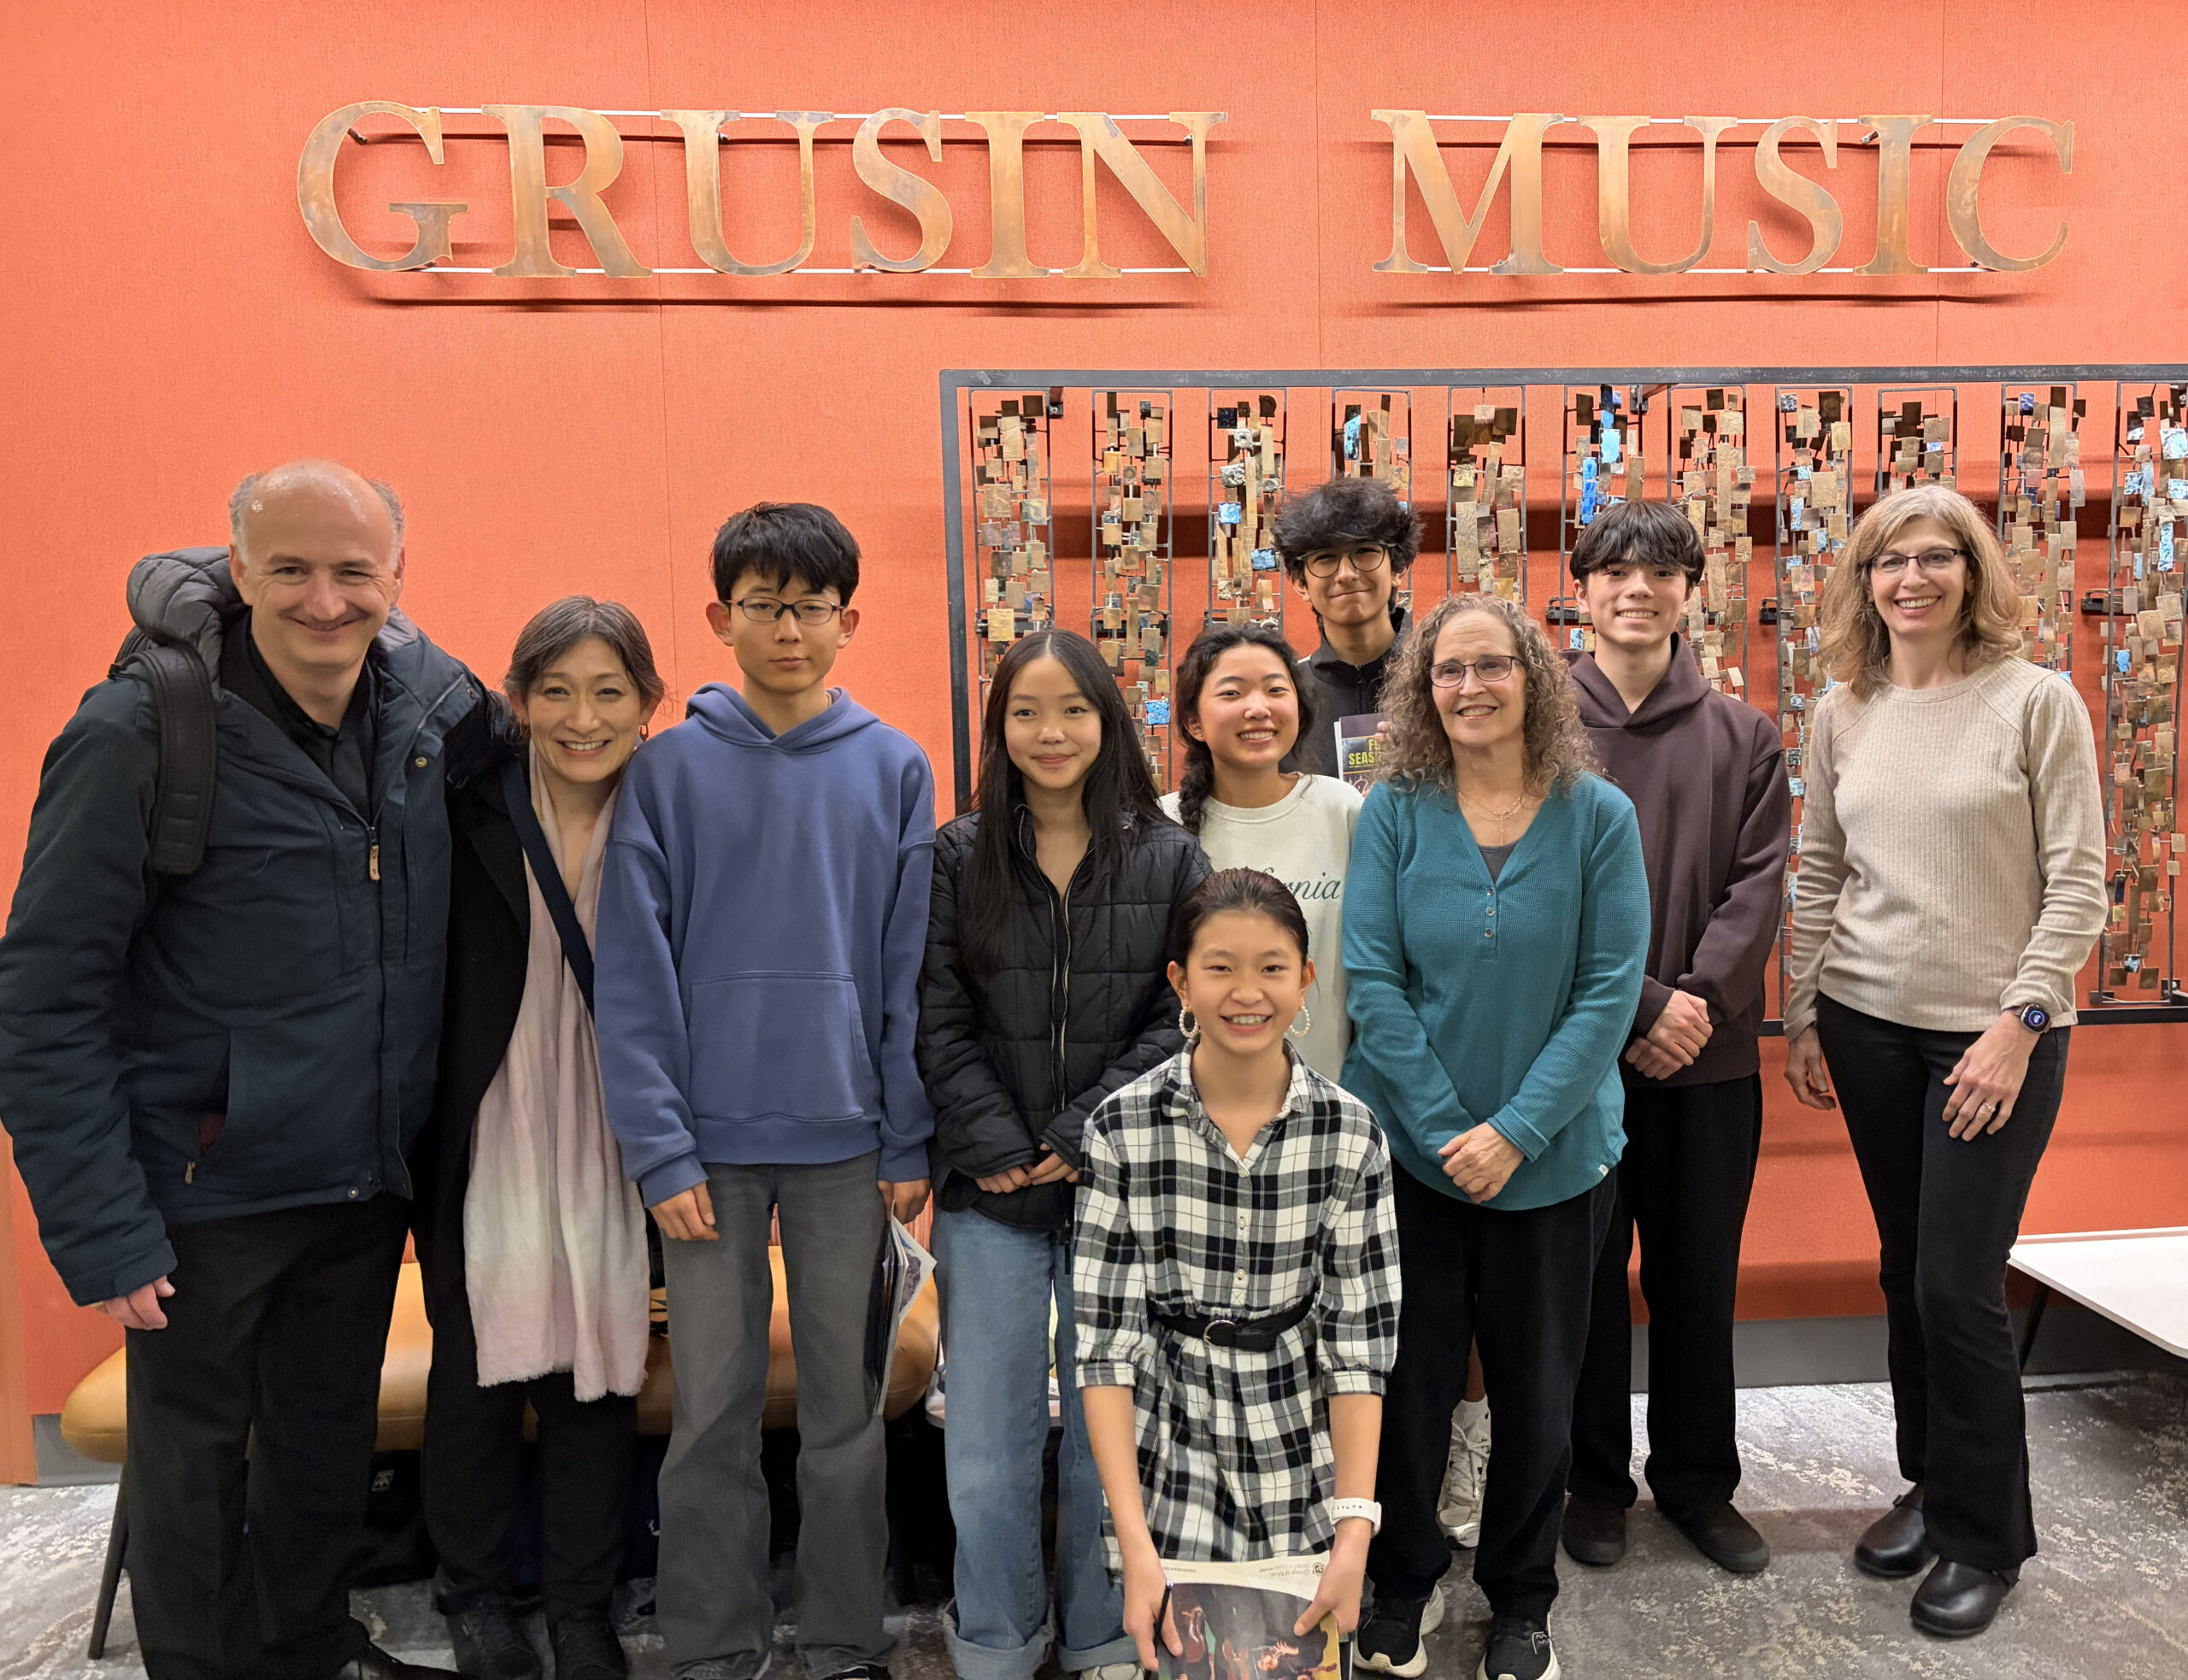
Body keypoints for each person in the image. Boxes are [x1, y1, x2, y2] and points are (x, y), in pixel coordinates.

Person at [0, 461, 488, 1680]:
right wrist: (102, 1226)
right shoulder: (141, 728)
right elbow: (45, 991)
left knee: (324, 1453)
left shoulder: (434, 712)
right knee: (196, 1472)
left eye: (353, 570)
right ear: (237, 570)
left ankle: (310, 1647)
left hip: (361, 1180)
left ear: (396, 574)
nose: (325, 599)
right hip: (202, 1185)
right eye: (291, 569)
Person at [594, 502, 936, 1680]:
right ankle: (710, 1644)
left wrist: (908, 1134)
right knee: (712, 1417)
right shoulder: (667, 770)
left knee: (846, 1414)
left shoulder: (895, 766)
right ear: (719, 616)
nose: (788, 628)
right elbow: (633, 974)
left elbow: (905, 967)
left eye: (811, 607)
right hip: (708, 1156)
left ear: (848, 621)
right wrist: (661, 1149)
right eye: (763, 604)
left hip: (850, 1147)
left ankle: (845, 1638)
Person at [1782, 484, 2105, 1639]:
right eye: (1889, 560)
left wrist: (2020, 1022)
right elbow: (1820, 869)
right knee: (1906, 1263)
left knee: (1956, 1284)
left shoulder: (2037, 701)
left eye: (1936, 557)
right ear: (1863, 580)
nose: (1911, 578)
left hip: (1994, 1032)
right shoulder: (1843, 709)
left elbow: (2078, 880)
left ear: (1974, 572)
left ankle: (1986, 1535)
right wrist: (1803, 1008)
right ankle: (1929, 1482)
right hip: (1866, 1020)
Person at [1344, 593, 1649, 1680]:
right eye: (1445, 671)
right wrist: (1442, 1129)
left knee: (1536, 1394)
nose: (1469, 687)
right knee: (1406, 1385)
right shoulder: (1394, 810)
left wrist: (1514, 1132)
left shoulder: (1596, 815)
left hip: (1557, 1163)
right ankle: (1404, 1579)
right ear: (1421, 693)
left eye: (1491, 666)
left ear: (1533, 678)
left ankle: (1522, 1600)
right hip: (1411, 1164)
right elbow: (1372, 981)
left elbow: (1609, 991)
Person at [917, 626, 1208, 1680]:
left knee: (1109, 1446)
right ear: (999, 728)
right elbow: (935, 1013)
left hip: (1118, 1192)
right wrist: (998, 1141)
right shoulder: (955, 854)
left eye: (1072, 710)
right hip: (987, 1192)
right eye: (1026, 712)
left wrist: (1076, 1135)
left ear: (1108, 721)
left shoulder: (1169, 854)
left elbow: (1188, 1009)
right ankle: (995, 1643)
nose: (1050, 732)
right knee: (986, 1450)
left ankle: (1102, 1639)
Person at [409, 599, 668, 1680]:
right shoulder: (462, 803)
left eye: (610, 690)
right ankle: (474, 1596)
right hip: (491, 1110)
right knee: (474, 1368)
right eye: (555, 689)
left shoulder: (668, 809)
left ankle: (580, 1605)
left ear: (649, 707)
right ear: (516, 700)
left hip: (618, 1113)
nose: (582, 715)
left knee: (599, 1368)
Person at [1074, 869, 1398, 1671]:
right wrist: (1133, 1537)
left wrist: (1354, 1528)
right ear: (1180, 980)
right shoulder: (1122, 1128)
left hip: (1301, 1438)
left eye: (1272, 967)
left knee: (1302, 1660)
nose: (1246, 992)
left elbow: (1359, 1348)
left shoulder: (1350, 1134)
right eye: (1219, 967)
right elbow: (1107, 1350)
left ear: (1307, 978)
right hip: (1171, 1435)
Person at [1558, 501, 1791, 1577]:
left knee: (1699, 1278)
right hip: (1571, 1058)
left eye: (1658, 571)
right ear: (1582, 590)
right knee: (1588, 1279)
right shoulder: (1539, 721)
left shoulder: (1744, 735)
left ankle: (1699, 1483)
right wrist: (1643, 1005)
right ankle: (1593, 1484)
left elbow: (1758, 888)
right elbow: (1537, 885)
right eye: (1613, 570)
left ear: (1692, 591)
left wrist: (1690, 1004)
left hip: (1712, 1059)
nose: (1634, 589)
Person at [1162, 621, 1361, 1079]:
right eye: (1232, 694)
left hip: (1330, 1098)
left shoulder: (1341, 809)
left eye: (1275, 690)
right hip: (1196, 1098)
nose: (1258, 709)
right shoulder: (1163, 827)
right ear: (1193, 721)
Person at [1273, 478, 1415, 777]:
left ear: (1397, 569)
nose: (1347, 574)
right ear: (1301, 584)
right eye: (1326, 558)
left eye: (1365, 551)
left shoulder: (1443, 679)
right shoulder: (1283, 695)